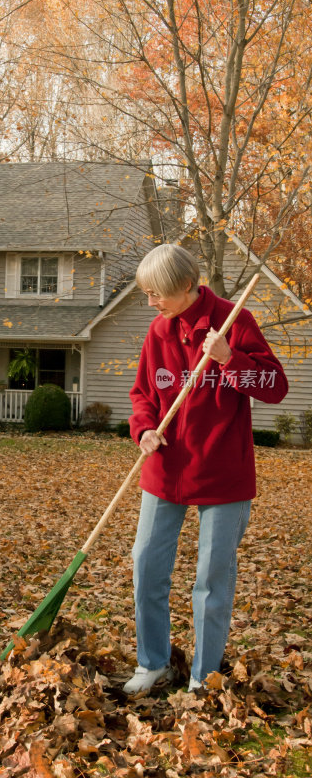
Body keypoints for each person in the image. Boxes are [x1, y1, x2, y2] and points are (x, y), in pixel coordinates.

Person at [123, 244, 288, 694]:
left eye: (156, 293)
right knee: (147, 567)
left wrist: (228, 358)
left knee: (212, 579)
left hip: (222, 473)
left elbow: (275, 387)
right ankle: (152, 663)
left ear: (183, 287)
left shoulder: (236, 321)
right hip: (165, 469)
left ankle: (203, 676)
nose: (151, 302)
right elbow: (142, 394)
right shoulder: (158, 332)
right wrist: (145, 431)